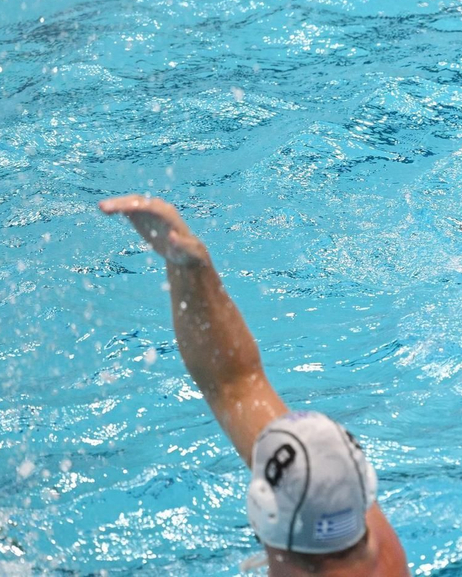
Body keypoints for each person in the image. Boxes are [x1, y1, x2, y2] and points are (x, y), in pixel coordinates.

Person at [99, 195, 410, 575]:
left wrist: (192, 268)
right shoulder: (383, 557)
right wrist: (190, 268)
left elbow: (236, 386)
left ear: (261, 516)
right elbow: (237, 384)